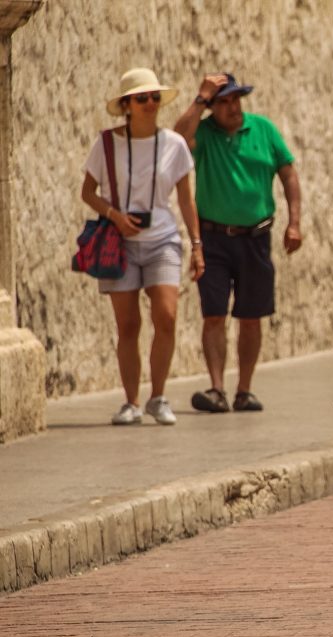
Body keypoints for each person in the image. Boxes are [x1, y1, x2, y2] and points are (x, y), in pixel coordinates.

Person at [174, 73, 302, 414]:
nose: (231, 107)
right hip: (213, 238)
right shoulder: (203, 133)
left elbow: (288, 173)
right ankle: (216, 389)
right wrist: (199, 99)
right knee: (213, 315)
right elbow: (175, 140)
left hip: (256, 239)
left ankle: (244, 390)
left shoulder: (263, 129)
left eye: (235, 99)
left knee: (251, 316)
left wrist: (295, 222)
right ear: (212, 107)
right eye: (223, 101)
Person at [80, 68, 201, 426]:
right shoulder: (106, 144)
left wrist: (197, 245)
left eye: (154, 98)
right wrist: (114, 215)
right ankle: (131, 402)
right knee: (128, 324)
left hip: (162, 237)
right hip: (120, 242)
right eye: (141, 98)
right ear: (126, 105)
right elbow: (88, 192)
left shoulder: (174, 144)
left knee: (166, 316)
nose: (150, 104)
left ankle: (158, 397)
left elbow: (186, 200)